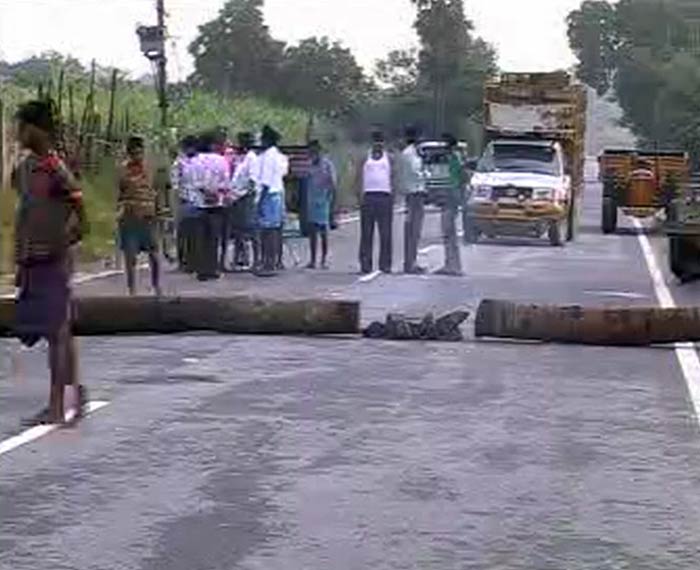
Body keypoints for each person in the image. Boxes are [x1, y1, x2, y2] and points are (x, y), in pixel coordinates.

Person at [12, 99, 88, 425]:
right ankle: (74, 393)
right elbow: (25, 212)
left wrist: (66, 239)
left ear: (37, 129)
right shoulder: (24, 170)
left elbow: (79, 208)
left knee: (57, 332)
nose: (18, 133)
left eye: (23, 126)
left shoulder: (55, 168)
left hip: (52, 260)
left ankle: (58, 405)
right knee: (48, 331)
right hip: (31, 261)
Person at [117, 135, 162, 296]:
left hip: (148, 217)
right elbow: (119, 193)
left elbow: (157, 192)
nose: (137, 156)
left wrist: (161, 212)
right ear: (129, 153)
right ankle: (132, 290)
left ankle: (156, 286)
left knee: (155, 254)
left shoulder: (151, 169)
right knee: (130, 256)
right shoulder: (122, 170)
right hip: (130, 217)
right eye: (134, 153)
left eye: (140, 153)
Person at [190, 132, 230, 281]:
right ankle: (212, 268)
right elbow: (225, 182)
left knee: (200, 238)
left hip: (199, 203)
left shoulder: (193, 161)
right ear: (213, 145)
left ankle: (201, 270)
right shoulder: (221, 160)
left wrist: (204, 191)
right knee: (213, 238)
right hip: (216, 203)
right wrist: (215, 192)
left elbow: (191, 182)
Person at [358, 131, 396, 274]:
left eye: (380, 142)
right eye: (375, 141)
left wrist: (393, 195)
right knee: (366, 233)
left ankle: (385, 264)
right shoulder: (365, 157)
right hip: (368, 196)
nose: (378, 144)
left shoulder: (389, 158)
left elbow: (393, 177)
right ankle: (365, 264)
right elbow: (358, 176)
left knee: (385, 233)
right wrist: (359, 195)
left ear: (384, 143)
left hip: (384, 196)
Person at [255, 125, 289, 276]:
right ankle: (274, 261)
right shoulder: (279, 155)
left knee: (267, 231)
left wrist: (259, 201)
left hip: (268, 194)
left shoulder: (268, 156)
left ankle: (268, 263)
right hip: (278, 193)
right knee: (275, 230)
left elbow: (265, 182)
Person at [305, 140, 337, 269]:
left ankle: (324, 260)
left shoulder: (327, 165)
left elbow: (333, 184)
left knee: (323, 232)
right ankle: (312, 260)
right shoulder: (309, 165)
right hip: (311, 200)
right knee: (312, 232)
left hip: (324, 200)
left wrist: (332, 203)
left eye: (315, 151)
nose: (313, 153)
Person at [230, 132, 259, 270]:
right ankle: (240, 259)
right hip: (237, 197)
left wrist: (248, 196)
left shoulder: (251, 158)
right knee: (238, 231)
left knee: (251, 229)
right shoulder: (242, 158)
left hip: (246, 198)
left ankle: (256, 260)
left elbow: (252, 181)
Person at [435, 133, 464, 276]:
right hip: (452, 198)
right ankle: (451, 264)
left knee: (448, 232)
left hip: (450, 198)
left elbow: (452, 180)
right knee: (448, 233)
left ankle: (453, 266)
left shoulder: (452, 159)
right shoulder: (456, 158)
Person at [400, 126, 427, 274]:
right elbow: (417, 173)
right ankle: (410, 264)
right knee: (413, 230)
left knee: (413, 230)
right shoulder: (411, 154)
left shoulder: (410, 153)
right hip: (415, 194)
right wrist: (427, 174)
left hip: (413, 194)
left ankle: (411, 262)